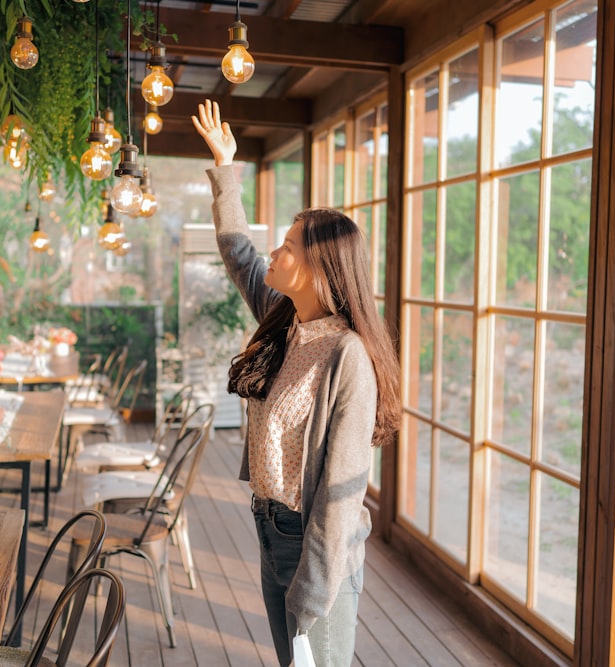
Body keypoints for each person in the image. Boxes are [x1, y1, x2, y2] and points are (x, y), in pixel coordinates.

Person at [192, 98, 401, 667]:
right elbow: (238, 253)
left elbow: (342, 490)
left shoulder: (347, 356)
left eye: (287, 248)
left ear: (320, 269)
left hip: (315, 552)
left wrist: (312, 592)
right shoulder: (284, 320)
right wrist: (226, 169)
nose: (274, 254)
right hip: (268, 528)